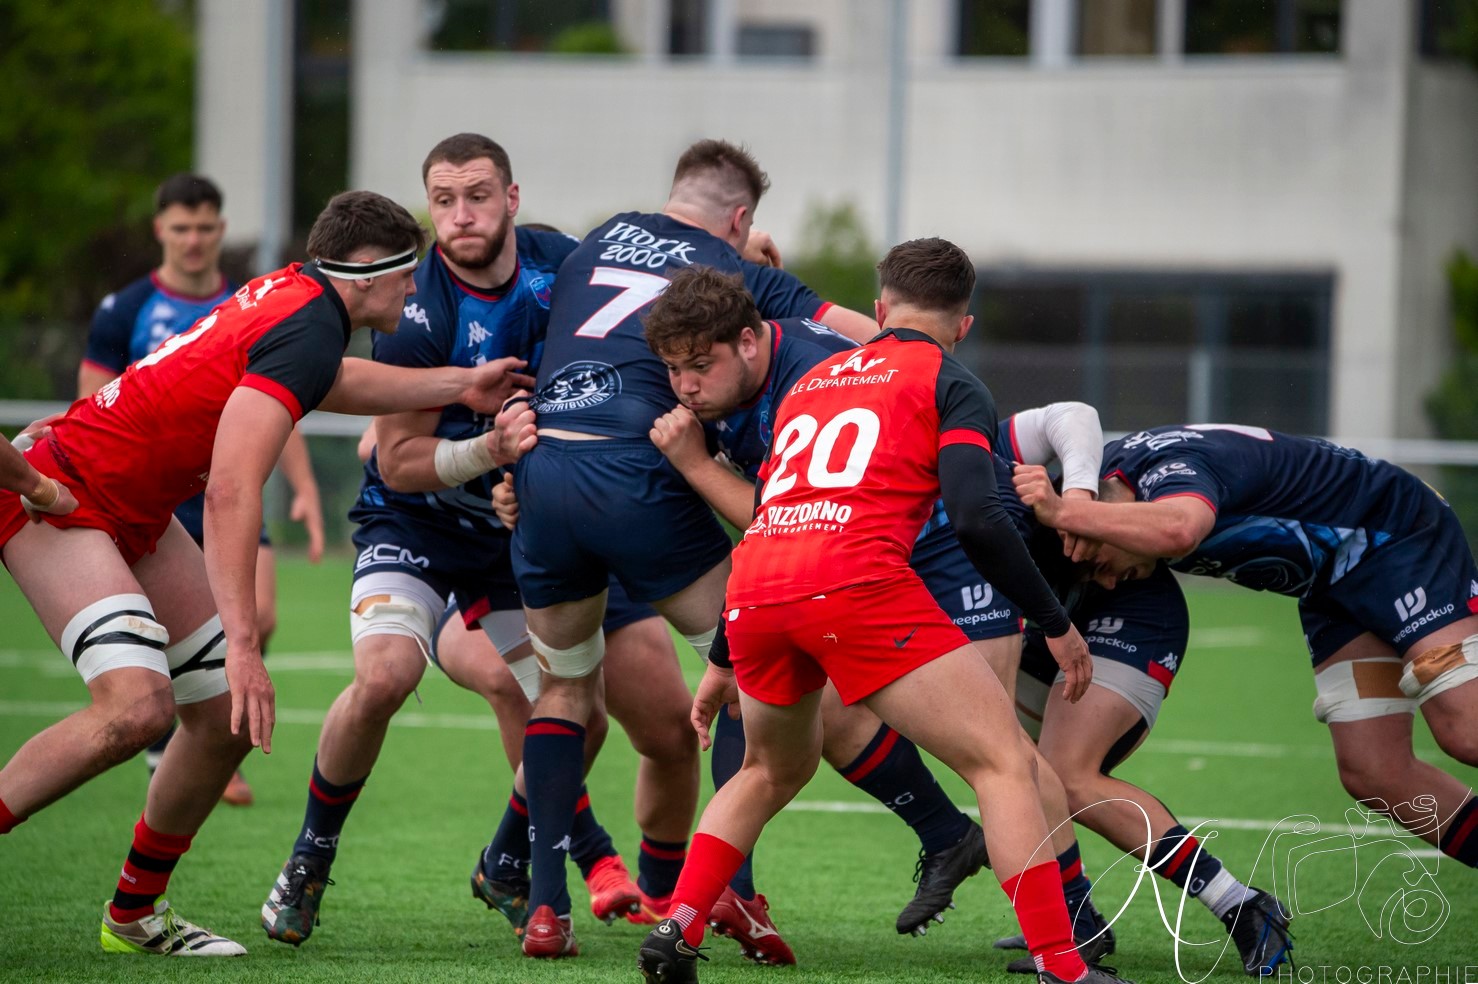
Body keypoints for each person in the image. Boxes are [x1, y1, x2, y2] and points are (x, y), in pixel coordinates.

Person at [0, 189, 532, 956]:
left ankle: (136, 913)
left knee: (220, 718)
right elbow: (229, 490)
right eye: (406, 274)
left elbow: (331, 381)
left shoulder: (302, 298)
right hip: (67, 494)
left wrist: (458, 383)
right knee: (137, 710)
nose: (415, 289)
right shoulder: (308, 321)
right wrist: (246, 646)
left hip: (128, 503)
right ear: (367, 270)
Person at [635, 238, 1126, 984]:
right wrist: (1055, 623)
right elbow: (975, 516)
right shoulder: (951, 378)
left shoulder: (815, 378)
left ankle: (678, 923)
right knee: (1002, 764)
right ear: (964, 325)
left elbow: (775, 516)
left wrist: (724, 659)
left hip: (761, 588)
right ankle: (1064, 965)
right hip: (855, 580)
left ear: (878, 309)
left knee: (767, 767)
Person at [260, 134, 698, 948]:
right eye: (445, 198)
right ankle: (309, 857)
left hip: (514, 537)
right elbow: (395, 458)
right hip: (416, 523)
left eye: (479, 195)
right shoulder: (416, 304)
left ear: (513, 197)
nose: (461, 215)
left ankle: (506, 856)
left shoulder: (563, 266)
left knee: (582, 715)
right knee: (386, 675)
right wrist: (487, 455)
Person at [505, 139, 879, 959]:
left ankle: (543, 909)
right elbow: (883, 340)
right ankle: (733, 896)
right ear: (741, 220)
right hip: (637, 475)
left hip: (543, 470)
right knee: (754, 670)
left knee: (564, 694)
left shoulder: (595, 238)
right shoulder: (733, 274)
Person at [1013, 424, 1478, 879]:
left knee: (1466, 732)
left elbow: (1181, 528)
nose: (1110, 582)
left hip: (1395, 539)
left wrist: (1062, 513)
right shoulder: (1114, 481)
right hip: (1333, 591)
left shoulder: (1167, 472)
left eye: (1099, 564)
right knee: (1376, 772)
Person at [80, 172, 325, 807]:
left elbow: (279, 399)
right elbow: (92, 403)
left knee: (261, 613)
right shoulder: (126, 309)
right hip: (157, 491)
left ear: (220, 229)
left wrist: (302, 488)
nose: (194, 239)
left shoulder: (249, 300)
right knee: (178, 626)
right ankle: (189, 740)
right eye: (181, 227)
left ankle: (215, 730)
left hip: (231, 484)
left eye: (205, 227)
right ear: (161, 230)